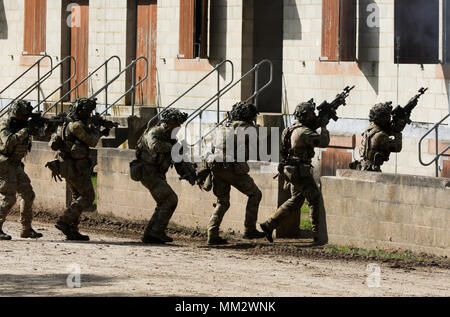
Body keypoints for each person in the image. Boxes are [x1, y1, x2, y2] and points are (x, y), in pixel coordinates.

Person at [260, 100, 329, 244]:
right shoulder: (304, 131)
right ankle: (317, 236)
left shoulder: (290, 129)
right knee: (314, 199)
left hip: (291, 170)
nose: (313, 116)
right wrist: (323, 126)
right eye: (311, 114)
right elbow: (323, 141)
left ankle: (269, 224)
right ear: (306, 116)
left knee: (296, 201)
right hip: (299, 172)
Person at [47, 97, 110, 241]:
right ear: (81, 110)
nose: (90, 114)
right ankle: (64, 221)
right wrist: (99, 130)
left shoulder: (69, 122)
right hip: (74, 167)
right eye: (88, 111)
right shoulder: (75, 125)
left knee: (77, 197)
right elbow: (92, 141)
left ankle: (72, 230)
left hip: (69, 165)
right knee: (88, 197)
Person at [205, 101, 265, 245]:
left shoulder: (222, 127)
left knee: (222, 202)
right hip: (233, 169)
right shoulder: (245, 128)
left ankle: (212, 233)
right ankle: (249, 230)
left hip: (217, 168)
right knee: (255, 194)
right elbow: (259, 140)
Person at [131, 108, 191, 244]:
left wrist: (189, 173)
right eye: (177, 124)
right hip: (148, 172)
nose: (179, 127)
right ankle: (156, 232)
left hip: (155, 173)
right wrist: (174, 147)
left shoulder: (170, 137)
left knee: (164, 202)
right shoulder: (155, 131)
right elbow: (155, 146)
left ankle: (152, 234)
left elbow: (177, 159)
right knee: (170, 199)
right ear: (169, 123)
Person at [0, 100, 43, 240]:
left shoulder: (23, 125)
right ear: (16, 113)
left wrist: (45, 127)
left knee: (28, 194)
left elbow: (42, 135)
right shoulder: (5, 124)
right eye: (22, 115)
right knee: (9, 197)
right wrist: (26, 130)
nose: (25, 118)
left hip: (16, 164)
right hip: (4, 163)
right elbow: (8, 141)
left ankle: (26, 229)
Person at [353, 102, 402, 172]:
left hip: (363, 167)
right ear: (383, 119)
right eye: (388, 117)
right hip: (371, 171)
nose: (389, 119)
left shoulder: (370, 130)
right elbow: (397, 148)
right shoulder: (381, 135)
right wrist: (397, 132)